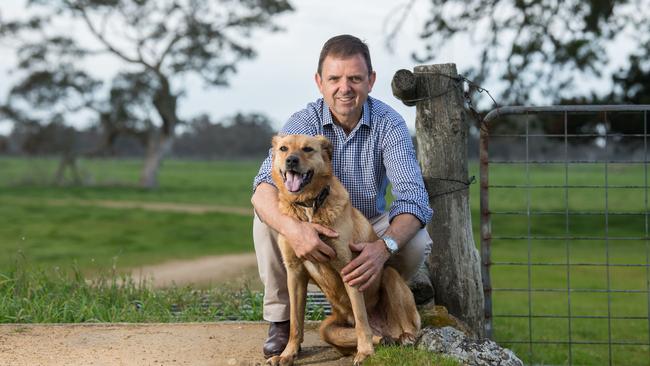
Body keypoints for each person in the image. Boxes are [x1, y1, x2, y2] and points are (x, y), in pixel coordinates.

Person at [251, 34, 433, 359]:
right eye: (334, 78)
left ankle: (387, 302)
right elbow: (263, 187)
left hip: (369, 221)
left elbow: (413, 199)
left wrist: (382, 247)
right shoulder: (303, 124)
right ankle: (281, 321)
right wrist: (294, 230)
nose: (344, 88)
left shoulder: (389, 124)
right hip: (311, 213)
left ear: (371, 81)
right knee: (266, 222)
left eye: (355, 78)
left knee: (416, 238)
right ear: (320, 82)